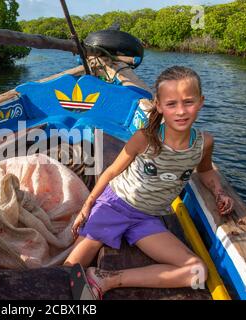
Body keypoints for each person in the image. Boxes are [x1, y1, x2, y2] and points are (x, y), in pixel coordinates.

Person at [64, 65, 234, 299]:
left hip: (147, 218)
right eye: (172, 104)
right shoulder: (144, 138)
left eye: (188, 102)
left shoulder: (203, 143)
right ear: (160, 105)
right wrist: (87, 206)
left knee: (197, 272)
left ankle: (108, 279)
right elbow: (112, 171)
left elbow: (206, 172)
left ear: (201, 101)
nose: (181, 111)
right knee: (68, 269)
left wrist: (218, 192)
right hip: (114, 205)